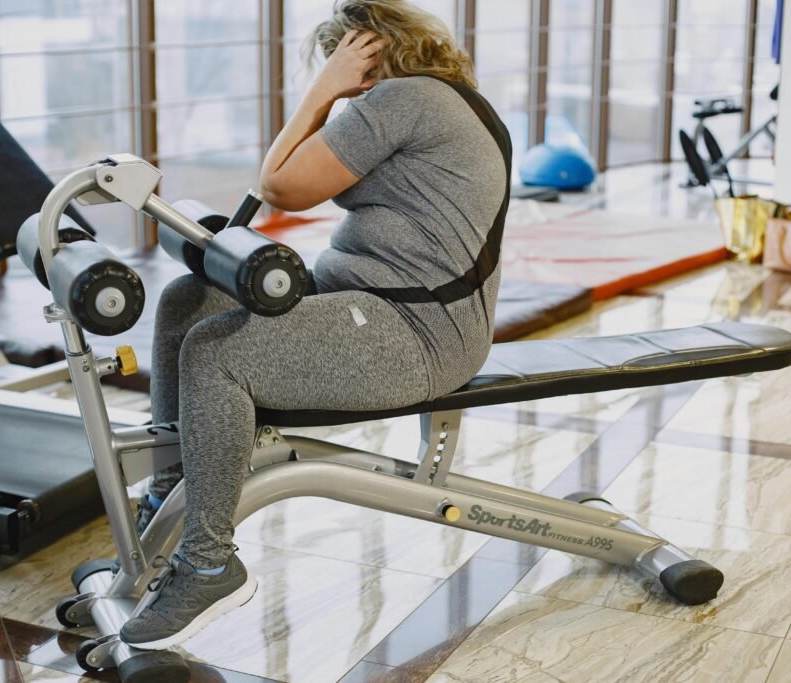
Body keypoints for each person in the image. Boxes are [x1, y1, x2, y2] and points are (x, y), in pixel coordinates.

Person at [120, 0, 509, 649]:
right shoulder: (434, 98)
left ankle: (210, 560)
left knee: (217, 353)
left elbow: (281, 183)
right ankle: (169, 496)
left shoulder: (407, 98)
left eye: (339, 56)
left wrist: (322, 90)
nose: (336, 75)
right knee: (190, 298)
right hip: (381, 302)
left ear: (366, 51)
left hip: (414, 329)